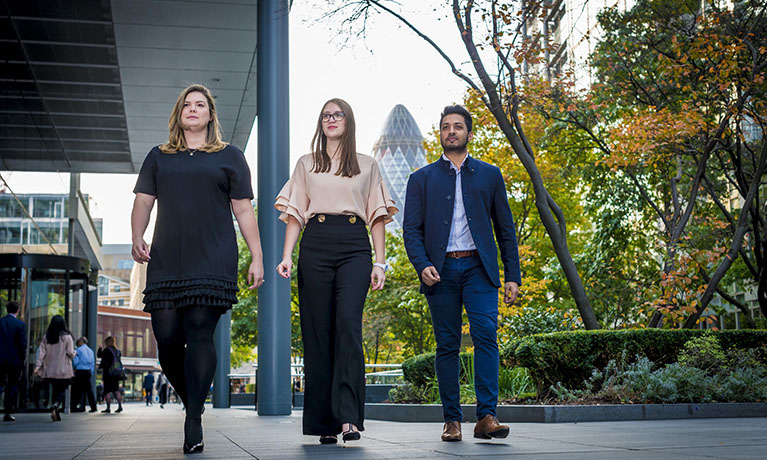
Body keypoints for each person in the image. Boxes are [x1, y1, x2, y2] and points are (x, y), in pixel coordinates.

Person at [131, 83, 264, 455]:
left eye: (200, 105)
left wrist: (257, 255)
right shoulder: (159, 156)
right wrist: (136, 235)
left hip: (213, 256)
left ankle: (193, 420)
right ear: (179, 114)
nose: (193, 109)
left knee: (200, 333)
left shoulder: (230, 156)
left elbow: (243, 211)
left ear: (209, 115)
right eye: (187, 105)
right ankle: (194, 400)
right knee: (167, 338)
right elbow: (143, 201)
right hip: (167, 258)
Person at [275, 98, 397, 444]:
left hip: (354, 246)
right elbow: (296, 213)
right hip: (315, 244)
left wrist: (380, 260)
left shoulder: (367, 164)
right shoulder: (306, 164)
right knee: (318, 332)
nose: (331, 119)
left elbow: (377, 216)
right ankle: (324, 422)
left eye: (338, 114)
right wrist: (287, 255)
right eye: (326, 115)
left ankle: (349, 418)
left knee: (347, 324)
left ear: (349, 121)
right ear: (321, 123)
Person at [402, 105, 521, 442]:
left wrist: (512, 274)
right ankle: (451, 421)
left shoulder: (490, 175)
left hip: (479, 268)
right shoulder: (421, 179)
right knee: (447, 345)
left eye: (457, 126)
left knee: (486, 334)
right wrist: (422, 264)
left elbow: (506, 229)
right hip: (439, 272)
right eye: (445, 127)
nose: (451, 131)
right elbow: (411, 230)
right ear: (440, 134)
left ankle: (486, 417)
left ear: (469, 133)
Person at [33, 315, 76, 422]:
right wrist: (74, 354)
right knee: (62, 390)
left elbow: (41, 354)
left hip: (50, 370)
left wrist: (38, 366)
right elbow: (70, 353)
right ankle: (55, 406)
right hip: (63, 369)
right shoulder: (67, 337)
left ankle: (55, 411)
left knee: (55, 390)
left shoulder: (46, 337)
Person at [0, 301, 27, 422]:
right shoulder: (20, 325)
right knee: (12, 386)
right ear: (17, 310)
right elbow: (22, 345)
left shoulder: (0, 322)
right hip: (15, 361)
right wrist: (22, 360)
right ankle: (8, 412)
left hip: (0, 359)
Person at [98, 336, 124, 414]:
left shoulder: (106, 350)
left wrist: (100, 349)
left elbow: (99, 356)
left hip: (108, 373)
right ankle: (120, 406)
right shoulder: (117, 351)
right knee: (116, 390)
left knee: (107, 391)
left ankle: (108, 408)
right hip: (116, 374)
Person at [71, 336, 97, 413]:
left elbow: (75, 362)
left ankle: (74, 406)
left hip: (80, 371)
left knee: (76, 389)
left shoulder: (78, 350)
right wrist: (91, 372)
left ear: (81, 342)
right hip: (88, 371)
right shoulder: (91, 351)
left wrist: (74, 369)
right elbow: (93, 363)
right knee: (89, 390)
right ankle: (93, 407)